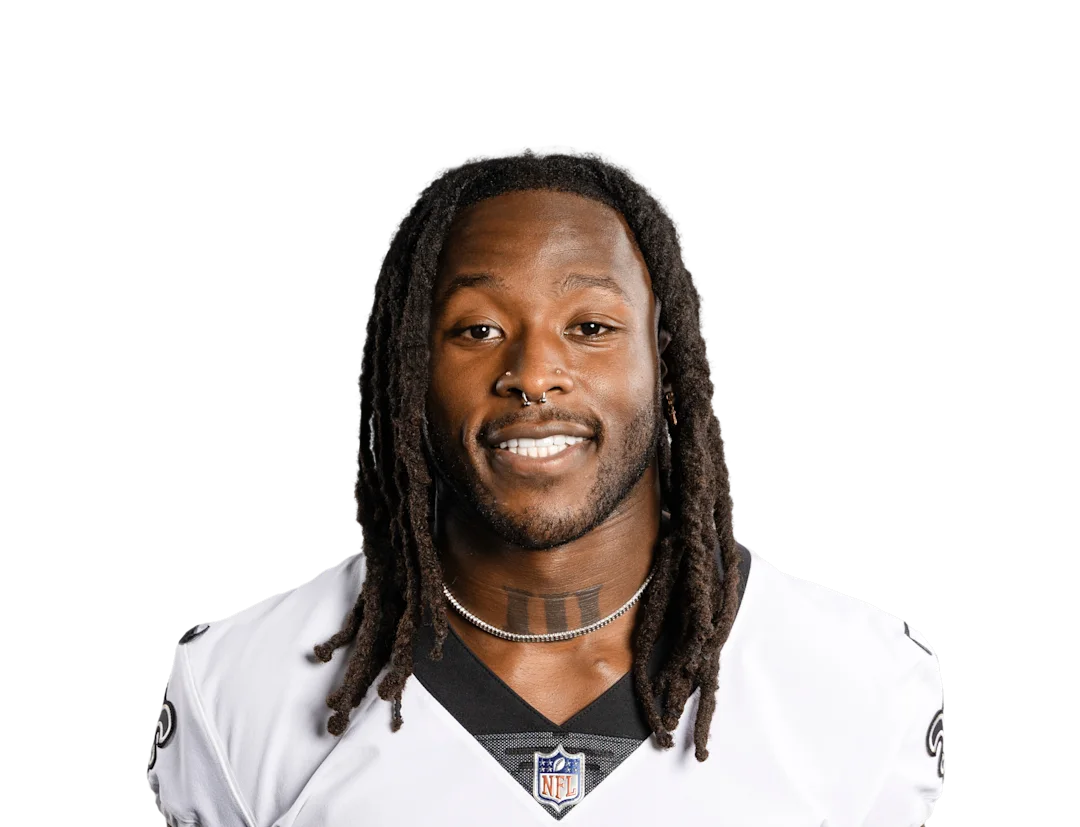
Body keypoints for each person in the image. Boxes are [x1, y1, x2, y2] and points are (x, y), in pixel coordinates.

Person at [148, 145, 945, 825]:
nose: (532, 374)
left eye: (590, 327)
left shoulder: (866, 686)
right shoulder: (233, 690)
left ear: (667, 363)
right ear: (411, 370)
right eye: (479, 328)